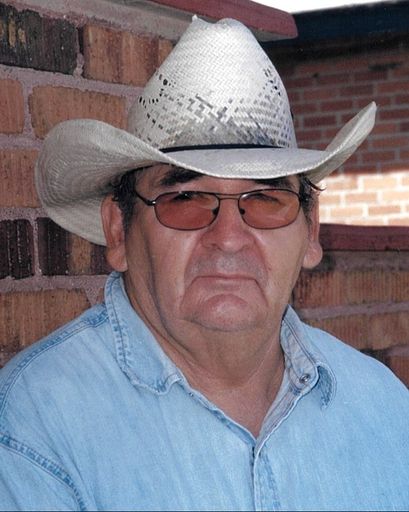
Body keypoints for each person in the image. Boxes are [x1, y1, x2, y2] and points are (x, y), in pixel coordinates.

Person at [0, 16, 407, 512]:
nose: (229, 239)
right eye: (186, 198)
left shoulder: (384, 407)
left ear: (311, 231)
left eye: (266, 199)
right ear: (119, 230)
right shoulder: (34, 429)